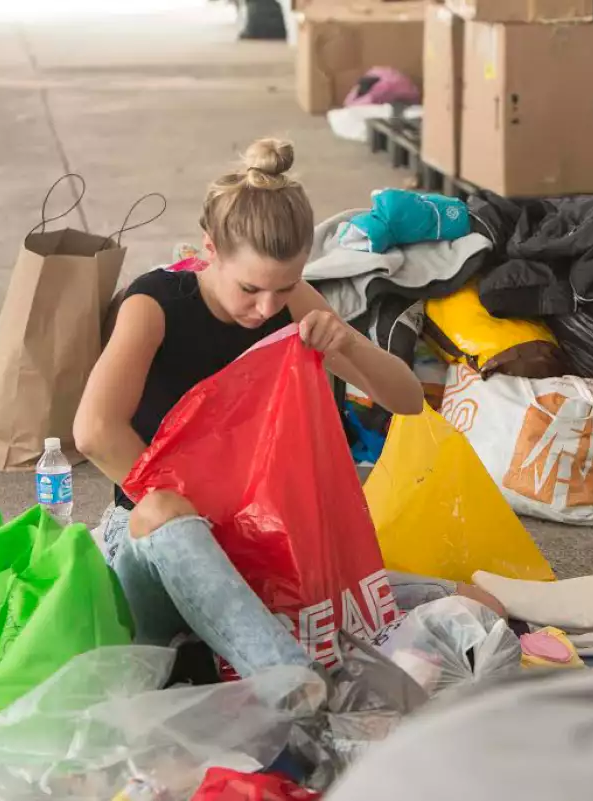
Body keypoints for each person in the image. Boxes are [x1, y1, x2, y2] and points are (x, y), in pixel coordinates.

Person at [75, 137, 500, 678]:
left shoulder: (290, 304)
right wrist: (203, 520)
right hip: (160, 542)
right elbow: (94, 431)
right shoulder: (154, 305)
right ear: (209, 249)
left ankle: (244, 645)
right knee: (165, 512)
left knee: (476, 605)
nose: (266, 308)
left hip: (262, 539)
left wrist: (345, 341)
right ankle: (291, 683)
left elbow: (407, 400)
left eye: (286, 286)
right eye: (251, 288)